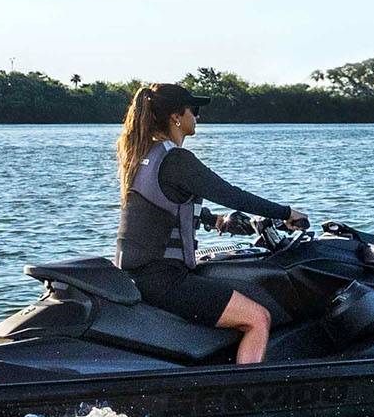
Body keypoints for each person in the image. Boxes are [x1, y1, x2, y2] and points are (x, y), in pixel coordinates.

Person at [114, 82, 308, 364]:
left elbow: (159, 207)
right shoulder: (177, 159)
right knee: (258, 318)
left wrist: (215, 220)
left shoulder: (141, 155)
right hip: (164, 278)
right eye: (194, 109)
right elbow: (229, 193)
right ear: (176, 116)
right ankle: (246, 393)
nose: (197, 116)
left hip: (139, 274)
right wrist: (286, 213)